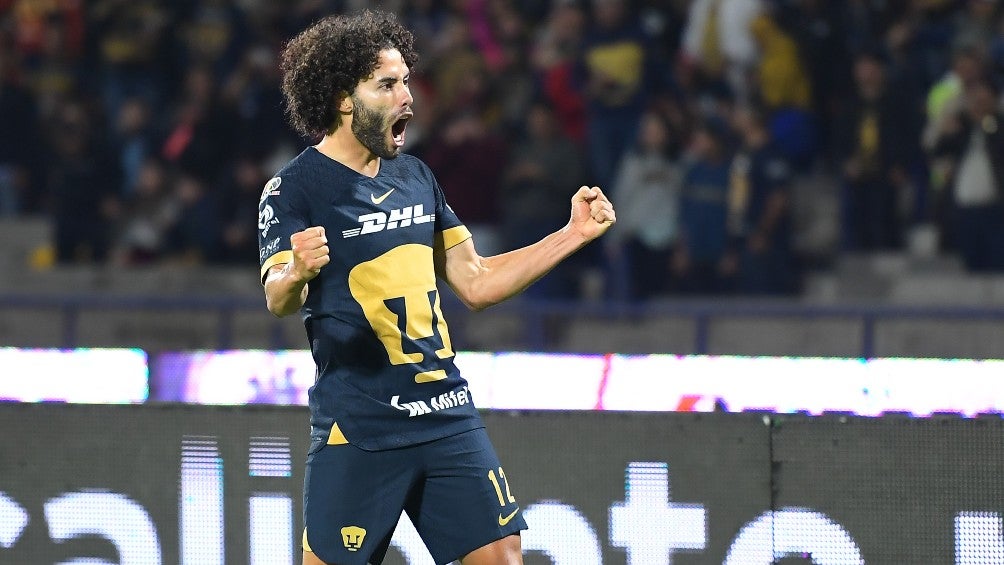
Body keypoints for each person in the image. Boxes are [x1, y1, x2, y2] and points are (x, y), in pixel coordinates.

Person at [259, 11, 615, 565]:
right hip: (361, 427)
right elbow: (278, 298)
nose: (407, 96)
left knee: (503, 555)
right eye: (387, 85)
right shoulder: (292, 190)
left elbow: (476, 281)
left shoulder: (416, 177)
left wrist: (571, 235)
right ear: (343, 100)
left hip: (445, 414)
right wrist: (296, 273)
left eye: (405, 81)